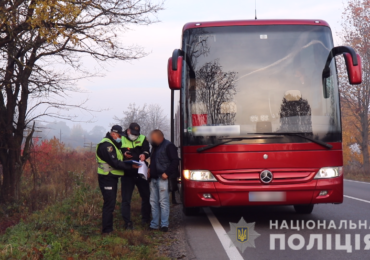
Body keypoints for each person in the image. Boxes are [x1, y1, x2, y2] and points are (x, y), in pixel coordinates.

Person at [96, 125, 140, 234]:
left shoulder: (112, 144)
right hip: (107, 177)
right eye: (119, 135)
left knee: (111, 202)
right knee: (109, 204)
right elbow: (115, 163)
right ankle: (107, 230)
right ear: (113, 134)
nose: (120, 137)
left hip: (111, 177)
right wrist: (130, 166)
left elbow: (116, 158)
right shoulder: (106, 145)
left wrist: (124, 155)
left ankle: (109, 228)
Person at [120, 123, 151, 230]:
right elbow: (117, 151)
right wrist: (124, 154)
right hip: (127, 173)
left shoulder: (142, 138)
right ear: (128, 131)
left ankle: (146, 219)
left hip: (140, 171)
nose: (135, 136)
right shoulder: (122, 138)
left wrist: (144, 155)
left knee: (146, 196)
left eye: (136, 134)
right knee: (126, 199)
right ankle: (127, 222)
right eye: (133, 133)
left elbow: (147, 150)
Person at [149, 129, 179, 232]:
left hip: (163, 178)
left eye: (153, 138)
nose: (151, 140)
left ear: (160, 138)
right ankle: (154, 224)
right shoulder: (155, 147)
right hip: (153, 178)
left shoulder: (169, 146)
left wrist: (167, 173)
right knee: (153, 202)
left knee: (163, 202)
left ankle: (164, 224)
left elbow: (175, 161)